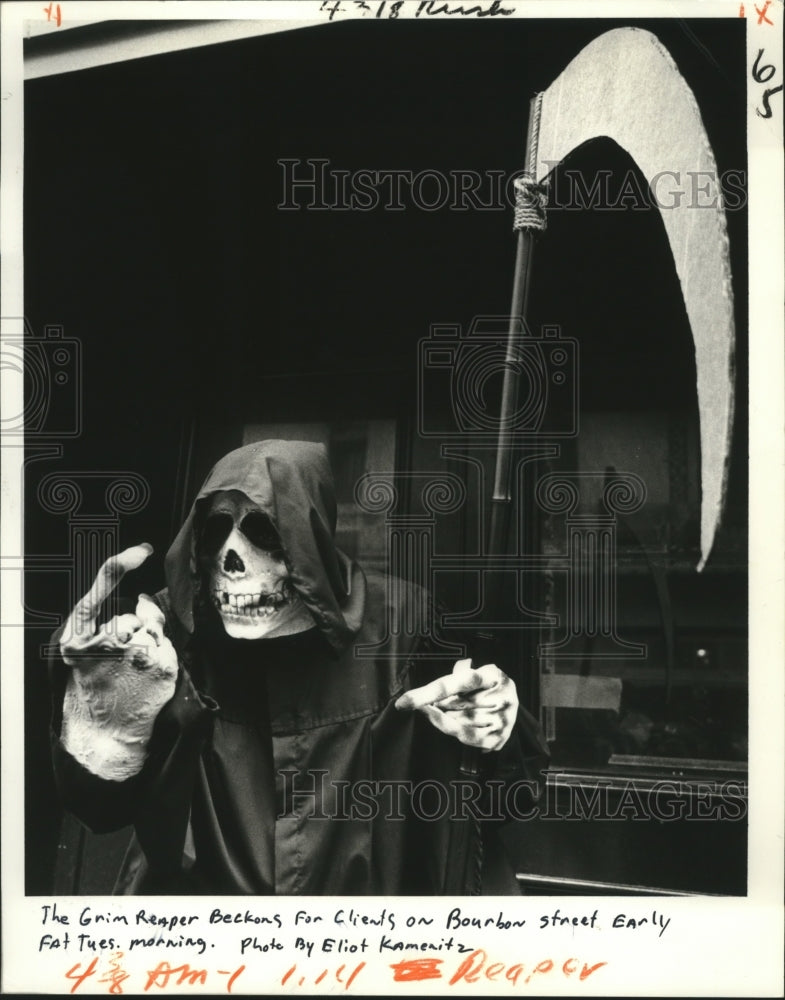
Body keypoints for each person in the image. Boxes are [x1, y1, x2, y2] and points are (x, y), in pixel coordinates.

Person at [49, 440, 548, 895]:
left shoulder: (402, 630)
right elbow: (98, 810)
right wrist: (106, 725)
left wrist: (499, 732)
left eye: (265, 531)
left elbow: (507, 801)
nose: (233, 562)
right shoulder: (166, 634)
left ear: (311, 541)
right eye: (215, 532)